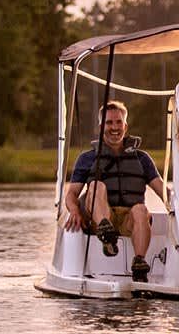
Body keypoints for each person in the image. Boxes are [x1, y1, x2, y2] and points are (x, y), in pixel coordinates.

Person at [64, 100, 164, 282]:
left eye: (118, 122)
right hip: (101, 217)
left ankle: (139, 262)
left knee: (141, 209)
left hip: (129, 221)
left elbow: (162, 191)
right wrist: (74, 210)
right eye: (109, 123)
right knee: (96, 185)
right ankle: (106, 232)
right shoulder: (87, 158)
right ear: (101, 127)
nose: (114, 127)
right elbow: (71, 195)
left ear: (125, 126)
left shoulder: (142, 159)